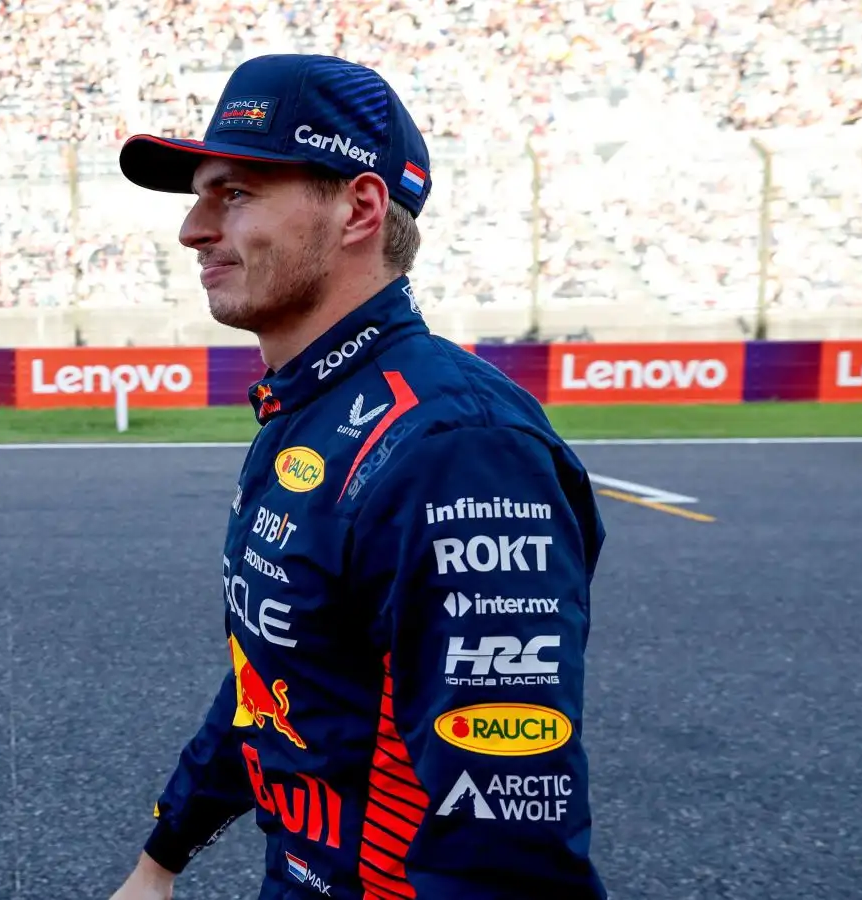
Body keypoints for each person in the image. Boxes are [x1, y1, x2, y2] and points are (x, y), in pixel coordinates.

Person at [106, 54, 609, 900]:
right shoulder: (311, 406)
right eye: (200, 194)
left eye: (235, 194)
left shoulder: (453, 445)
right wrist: (162, 858)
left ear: (359, 208)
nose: (193, 228)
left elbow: (502, 829)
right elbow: (281, 671)